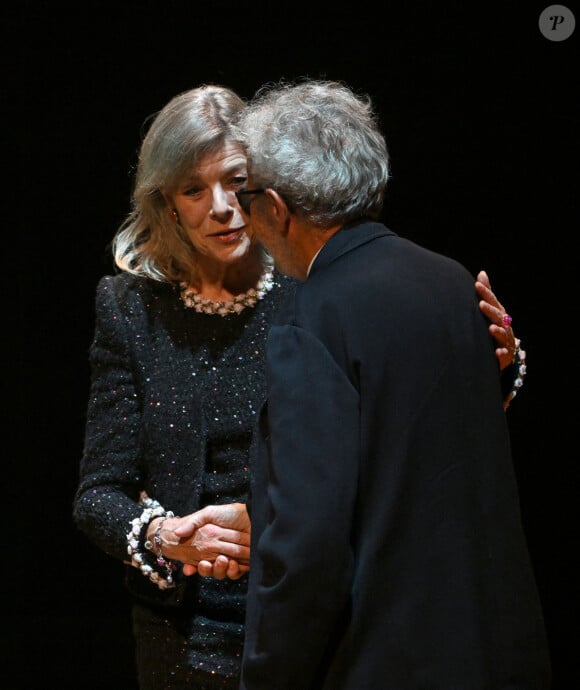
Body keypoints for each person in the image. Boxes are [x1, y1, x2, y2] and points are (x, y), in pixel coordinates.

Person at [72, 84, 524, 690]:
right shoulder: (132, 308)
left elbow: (402, 427)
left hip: (316, 616)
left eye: (237, 182)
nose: (223, 207)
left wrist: (498, 365)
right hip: (186, 633)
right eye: (193, 189)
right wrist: (164, 537)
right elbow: (99, 491)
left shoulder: (312, 283)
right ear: (167, 205)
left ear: (271, 188)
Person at [232, 79, 550, 690]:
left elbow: (307, 549)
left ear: (275, 206)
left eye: (246, 200)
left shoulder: (313, 316)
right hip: (497, 650)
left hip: (385, 661)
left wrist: (268, 676)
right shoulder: (451, 280)